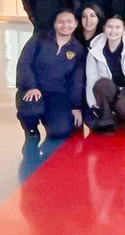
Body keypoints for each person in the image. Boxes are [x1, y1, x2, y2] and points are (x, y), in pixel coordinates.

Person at [16, 10, 86, 139]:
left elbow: (77, 80)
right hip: (36, 89)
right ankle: (31, 131)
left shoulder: (78, 49)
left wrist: (75, 106)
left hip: (59, 95)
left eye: (69, 21)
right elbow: (24, 63)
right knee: (31, 110)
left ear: (76, 24)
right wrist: (31, 86)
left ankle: (51, 119)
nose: (65, 25)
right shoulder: (39, 39)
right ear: (54, 24)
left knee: (60, 132)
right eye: (60, 21)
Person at [84, 16, 125, 132]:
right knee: (101, 84)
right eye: (110, 27)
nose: (113, 31)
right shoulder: (94, 50)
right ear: (104, 28)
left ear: (124, 30)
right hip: (112, 90)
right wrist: (93, 104)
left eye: (117, 27)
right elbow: (91, 78)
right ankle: (106, 119)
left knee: (123, 107)